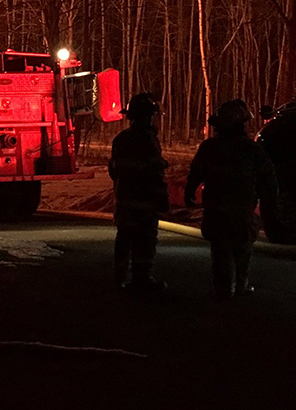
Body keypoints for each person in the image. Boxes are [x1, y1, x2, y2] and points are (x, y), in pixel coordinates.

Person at [185, 99, 279, 298]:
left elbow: (196, 172)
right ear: (241, 124)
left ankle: (223, 288)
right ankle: (241, 284)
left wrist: (189, 191)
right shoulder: (251, 149)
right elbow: (267, 176)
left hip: (216, 209)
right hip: (242, 209)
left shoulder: (210, 147)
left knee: (220, 250)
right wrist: (270, 200)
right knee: (242, 248)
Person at [109, 93, 170, 294]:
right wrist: (162, 197)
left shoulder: (121, 140)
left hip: (125, 200)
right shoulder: (148, 140)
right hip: (145, 200)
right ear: (148, 117)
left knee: (124, 238)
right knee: (145, 241)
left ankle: (119, 278)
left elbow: (114, 169)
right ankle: (141, 279)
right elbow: (154, 171)